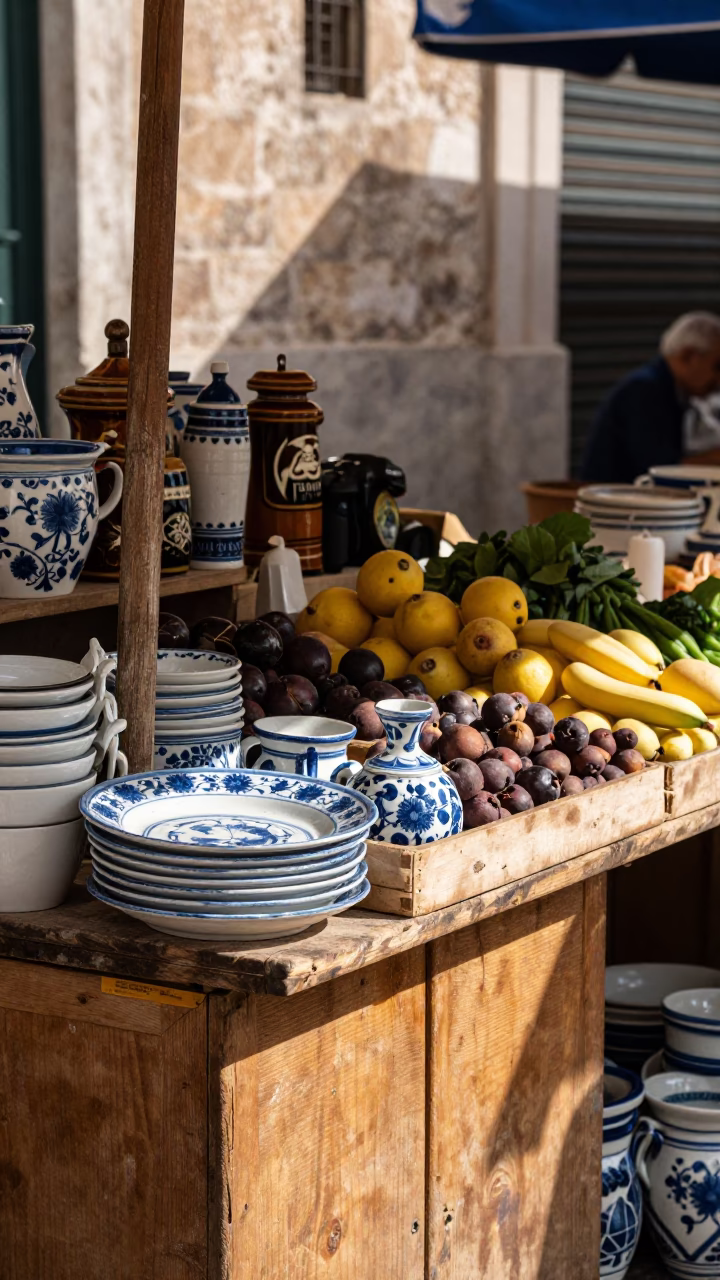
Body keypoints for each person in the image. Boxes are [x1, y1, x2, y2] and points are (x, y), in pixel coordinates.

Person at [581, 311, 720, 483]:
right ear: (688, 355)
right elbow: (663, 470)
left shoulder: (672, 391)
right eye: (717, 366)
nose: (718, 380)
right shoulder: (644, 391)